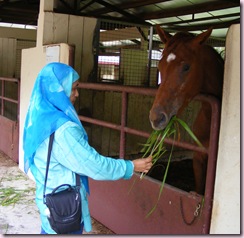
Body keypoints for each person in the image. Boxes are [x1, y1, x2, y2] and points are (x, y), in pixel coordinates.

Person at [23, 62, 153, 234]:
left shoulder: (38, 117)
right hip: (65, 210)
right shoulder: (63, 129)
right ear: (59, 89)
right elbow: (94, 164)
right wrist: (131, 166)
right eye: (74, 88)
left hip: (48, 203)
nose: (77, 94)